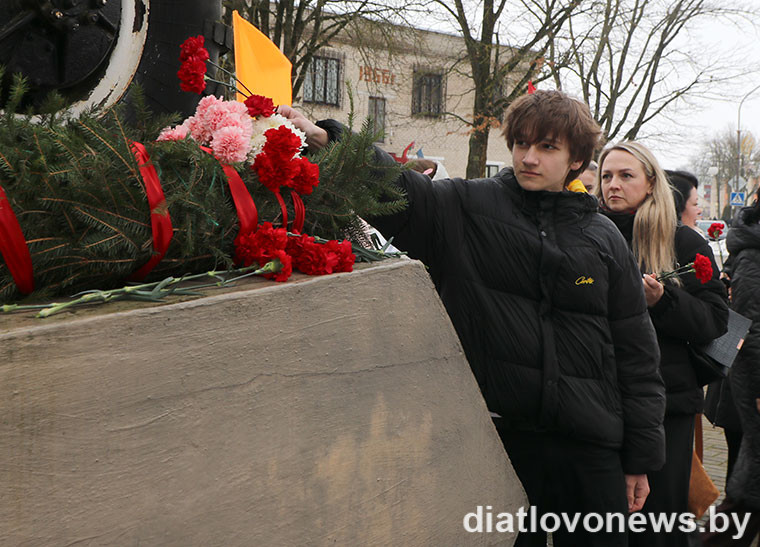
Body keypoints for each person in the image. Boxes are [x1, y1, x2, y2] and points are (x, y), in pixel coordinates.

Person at [280, 90, 666, 546]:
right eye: (521, 143)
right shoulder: (466, 207)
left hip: (590, 447)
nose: (529, 157)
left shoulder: (603, 238)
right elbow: (400, 189)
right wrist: (329, 139)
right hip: (498, 444)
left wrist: (640, 458)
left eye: (547, 147)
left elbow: (636, 351)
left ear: (577, 159)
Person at [595, 142, 729, 547]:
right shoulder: (586, 234)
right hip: (598, 402)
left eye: (626, 175)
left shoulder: (682, 242)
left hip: (666, 407)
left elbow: (715, 321)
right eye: (606, 176)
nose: (613, 185)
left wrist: (663, 300)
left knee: (657, 525)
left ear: (651, 183)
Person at [701, 188, 760, 546]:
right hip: (747, 379)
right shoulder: (752, 253)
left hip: (741, 374)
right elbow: (750, 326)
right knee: (745, 488)